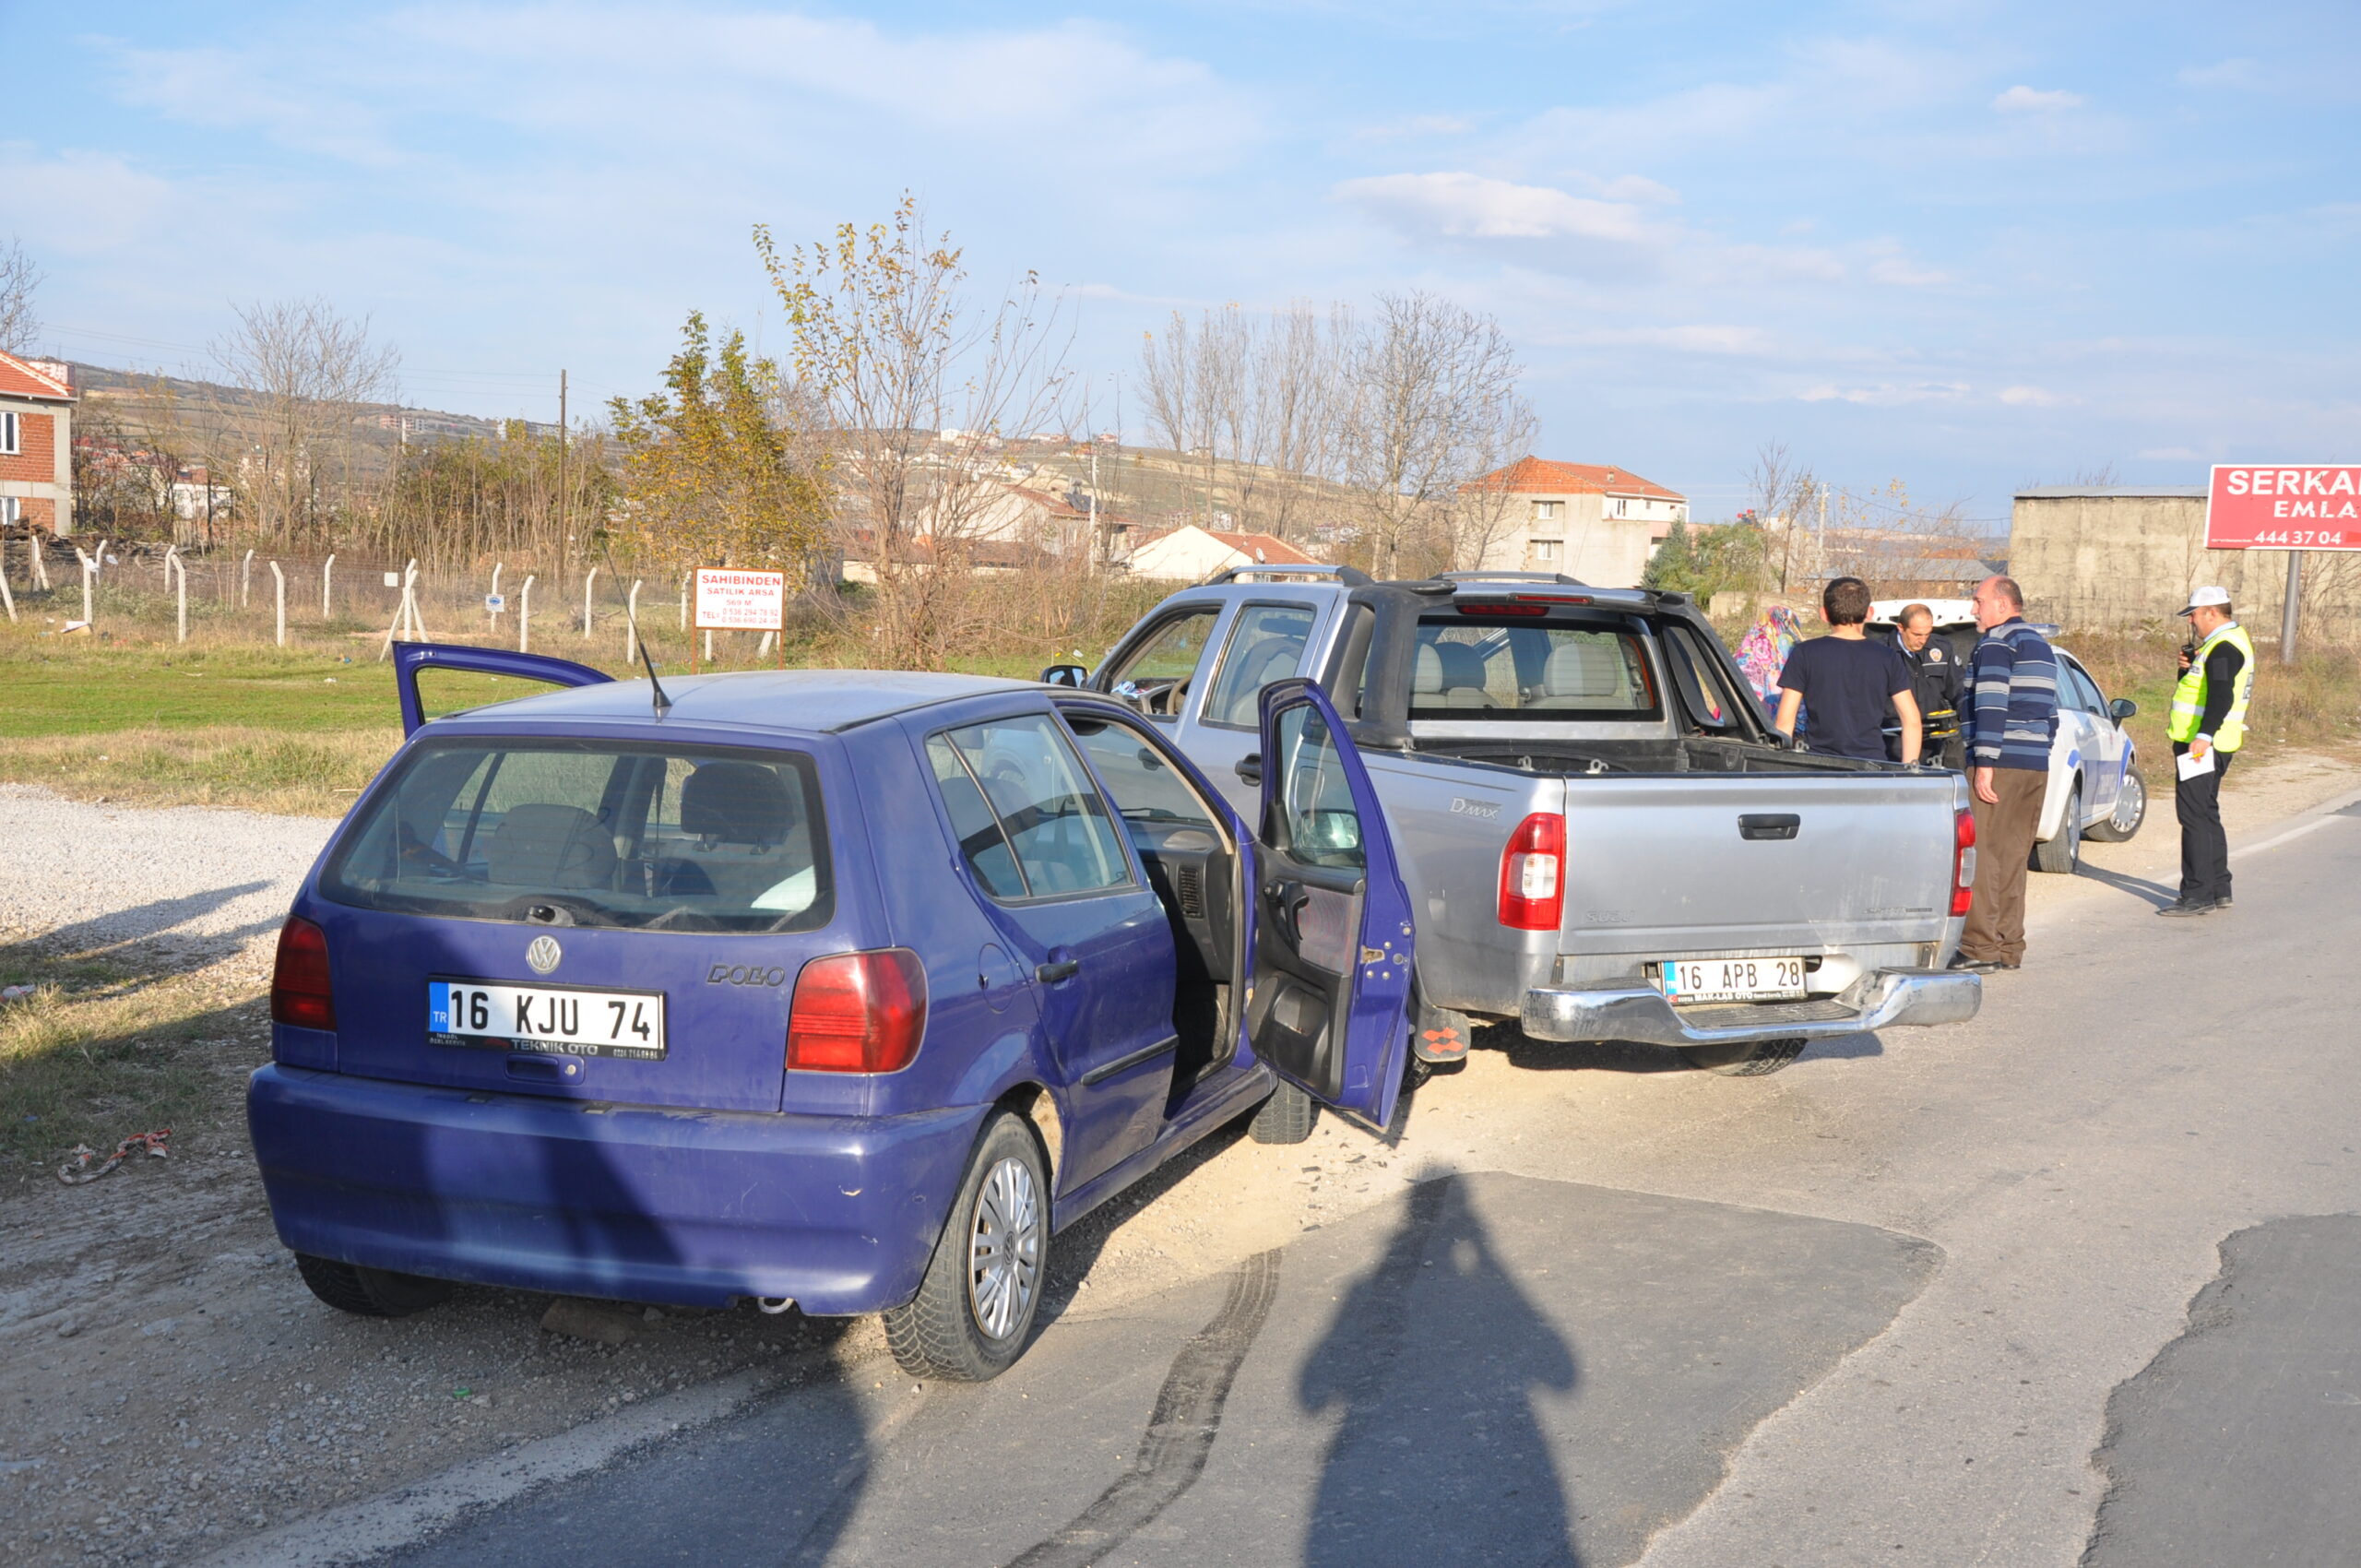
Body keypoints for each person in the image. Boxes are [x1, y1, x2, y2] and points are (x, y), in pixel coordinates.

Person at [1952, 576, 2058, 973]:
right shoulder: (2040, 645)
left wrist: (1985, 763)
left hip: (2000, 763)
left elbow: (1992, 704)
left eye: (1978, 601)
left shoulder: (1997, 642)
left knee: (1981, 854)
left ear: (2001, 603)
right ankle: (2010, 946)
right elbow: (2050, 713)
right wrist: (2039, 751)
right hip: (2033, 765)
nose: (1973, 609)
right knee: (2014, 857)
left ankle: (1980, 948)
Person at [2159, 586, 2253, 917]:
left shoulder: (2224, 648)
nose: (2192, 622)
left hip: (2202, 745)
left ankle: (2197, 895)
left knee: (2194, 816)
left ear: (2212, 612)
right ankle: (2218, 886)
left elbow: (2222, 697)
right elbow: (2201, 690)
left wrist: (2203, 735)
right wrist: (2187, 668)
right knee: (2207, 813)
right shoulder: (2221, 644)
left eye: (2195, 615)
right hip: (2212, 742)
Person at [1774, 577, 1923, 764]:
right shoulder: (1887, 657)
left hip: (1820, 766)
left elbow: (1784, 721)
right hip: (1871, 767)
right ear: (1869, 613)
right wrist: (1909, 771)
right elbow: (1912, 721)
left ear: (1823, 614)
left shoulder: (1805, 653)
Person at [1892, 602, 1966, 768]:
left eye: (1927, 634)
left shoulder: (1941, 648)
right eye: (1917, 634)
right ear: (1901, 628)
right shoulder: (1883, 652)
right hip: (1895, 737)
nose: (1923, 640)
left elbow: (1958, 687)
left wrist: (1966, 715)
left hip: (1935, 738)